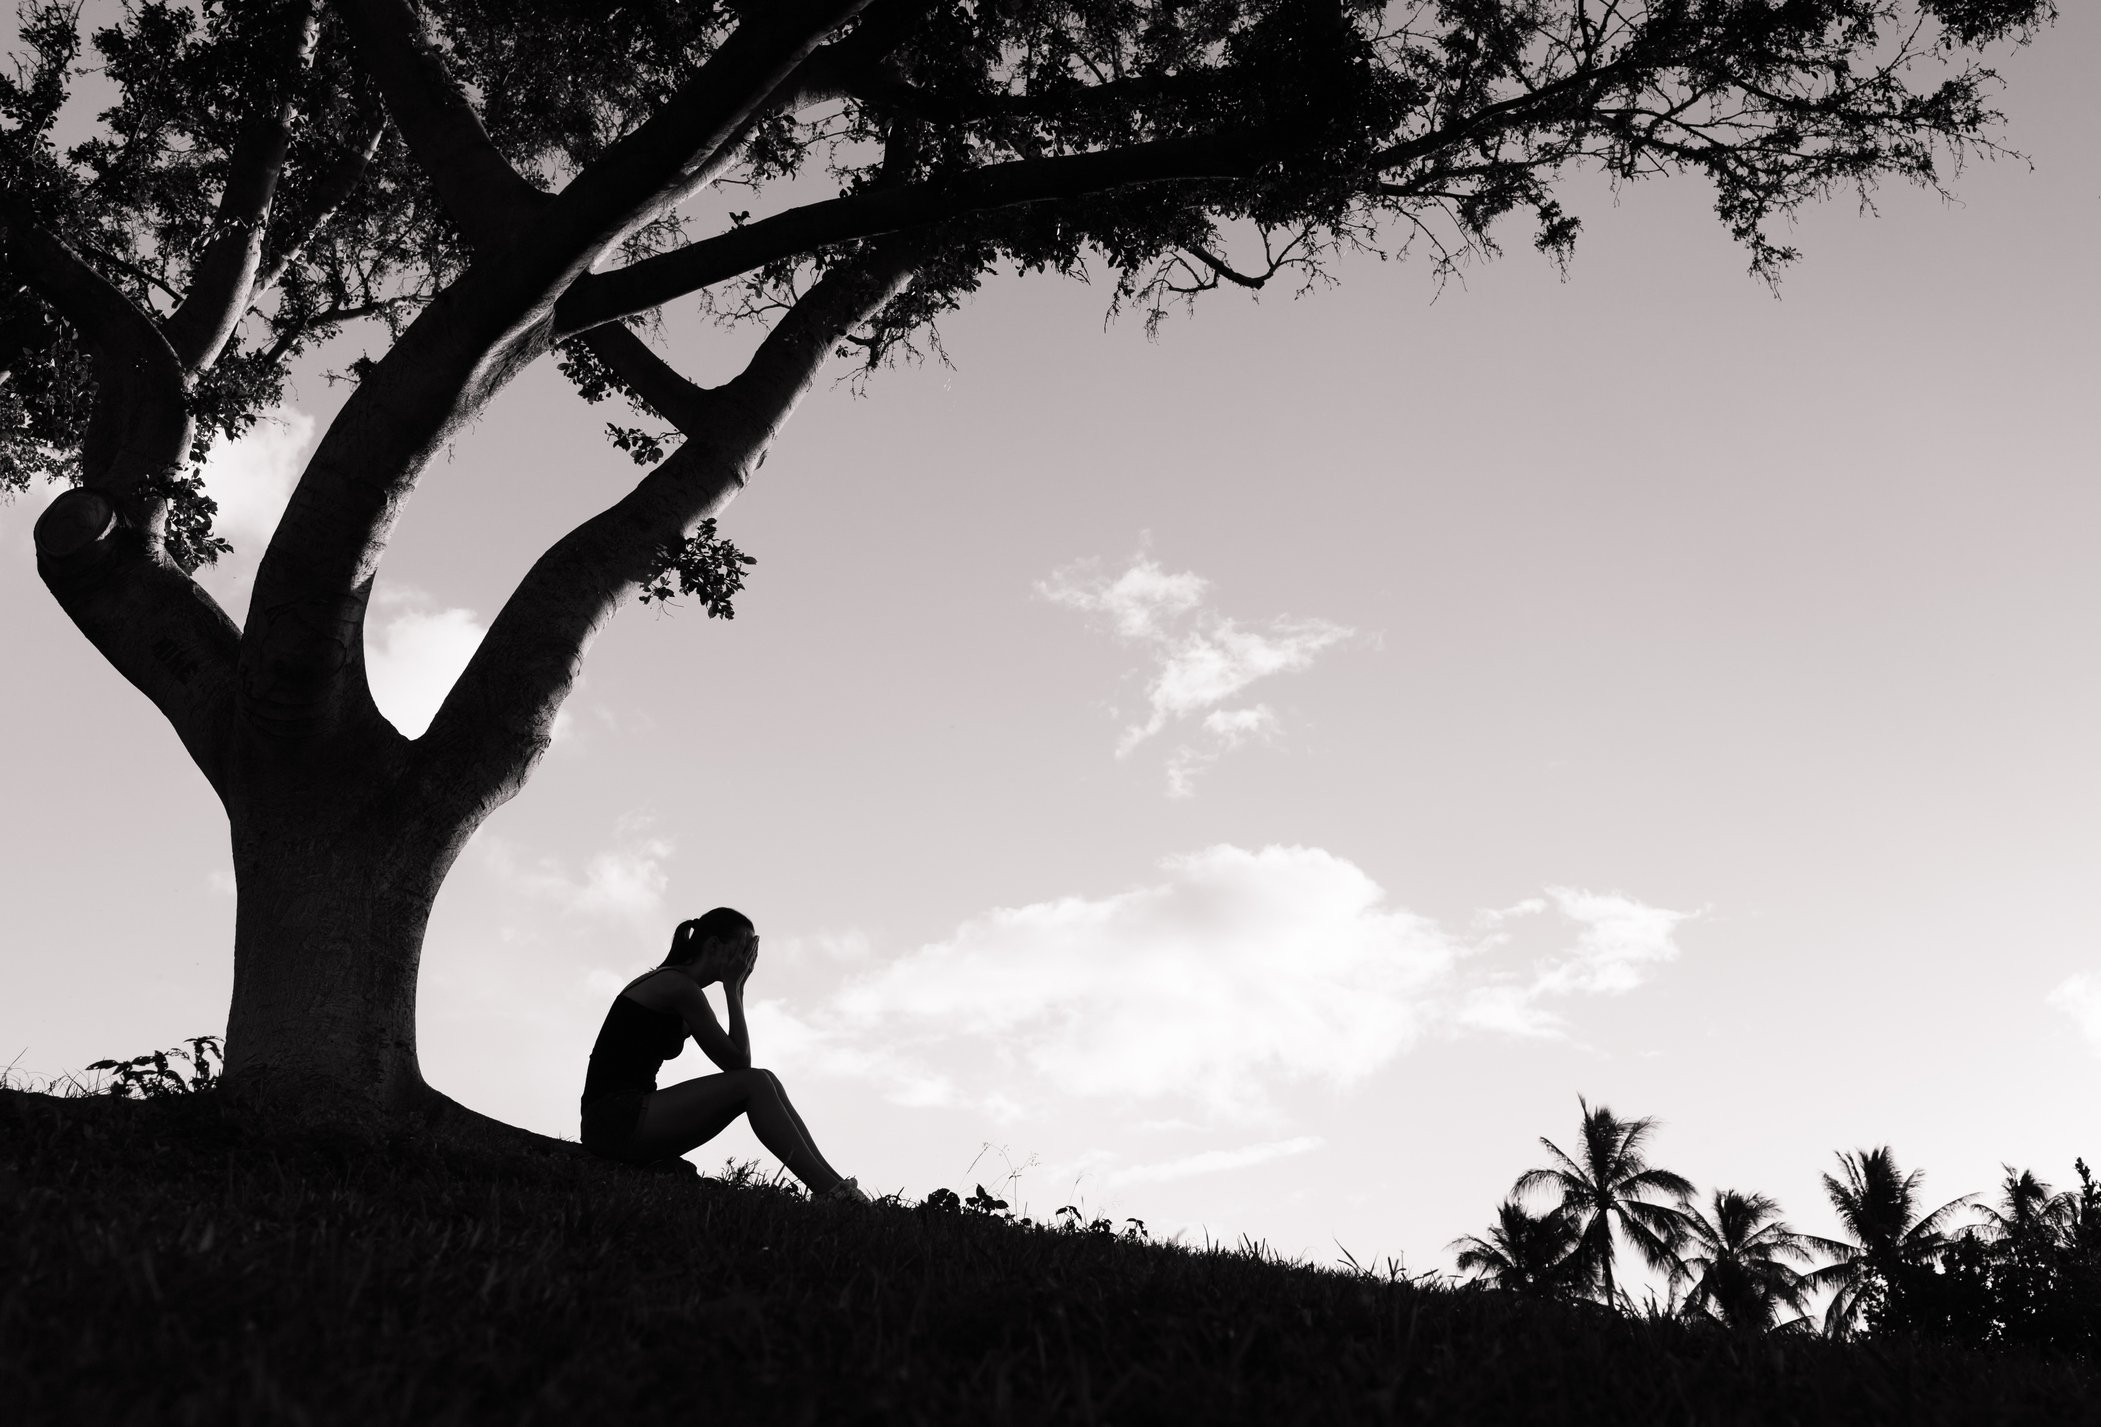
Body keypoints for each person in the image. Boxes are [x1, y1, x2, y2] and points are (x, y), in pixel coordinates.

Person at [580, 906, 869, 1202]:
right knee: (754, 1083)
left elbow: (737, 1060)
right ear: (714, 945)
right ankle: (833, 1194)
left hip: (625, 1118)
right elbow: (738, 1063)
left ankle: (837, 1188)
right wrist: (735, 988)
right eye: (742, 948)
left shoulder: (683, 988)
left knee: (765, 1079)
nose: (745, 960)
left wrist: (736, 986)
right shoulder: (678, 986)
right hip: (613, 1118)